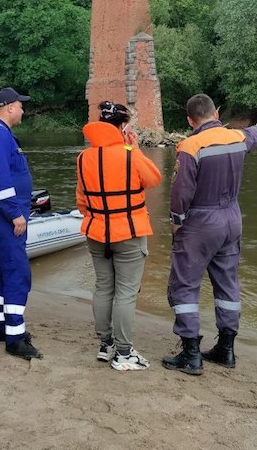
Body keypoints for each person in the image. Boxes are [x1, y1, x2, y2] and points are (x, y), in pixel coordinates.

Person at [163, 94, 257, 375]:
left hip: (200, 222)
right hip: (232, 218)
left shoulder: (190, 146)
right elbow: (253, 135)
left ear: (190, 120)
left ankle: (191, 354)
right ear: (217, 113)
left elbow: (180, 193)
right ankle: (226, 348)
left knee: (185, 285)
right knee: (227, 284)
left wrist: (176, 222)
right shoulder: (236, 138)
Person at [76, 101, 162, 371]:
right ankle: (124, 353)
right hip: (129, 232)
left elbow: (81, 202)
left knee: (103, 287)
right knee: (125, 294)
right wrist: (134, 149)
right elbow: (154, 179)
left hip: (96, 233)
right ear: (123, 127)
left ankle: (106, 345)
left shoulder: (83, 158)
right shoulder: (130, 155)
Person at [0, 87, 43, 360]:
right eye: (21, 106)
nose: (23, 111)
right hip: (4, 213)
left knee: (2, 269)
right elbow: (0, 180)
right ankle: (15, 337)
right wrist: (15, 213)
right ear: (9, 107)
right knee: (17, 271)